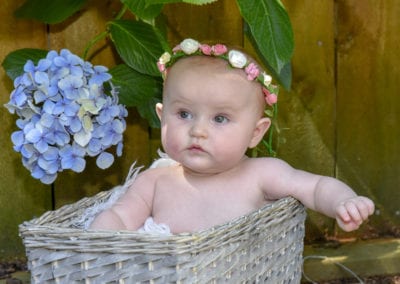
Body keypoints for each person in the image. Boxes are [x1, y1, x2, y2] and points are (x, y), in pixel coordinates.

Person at [89, 39, 374, 234]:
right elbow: (121, 218)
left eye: (220, 119)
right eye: (184, 114)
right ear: (162, 116)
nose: (197, 130)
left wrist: (343, 202)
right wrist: (101, 231)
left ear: (255, 133)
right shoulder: (154, 182)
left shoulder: (261, 174)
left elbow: (314, 188)